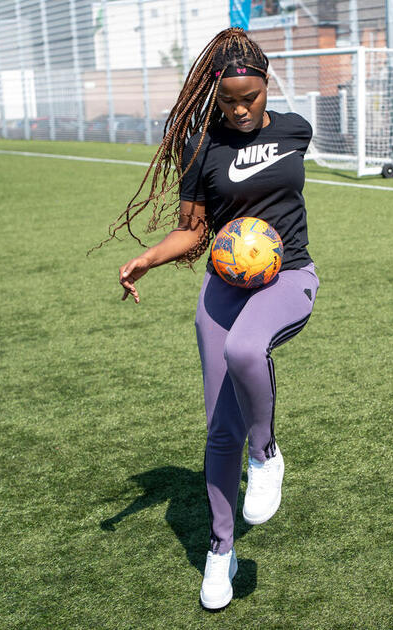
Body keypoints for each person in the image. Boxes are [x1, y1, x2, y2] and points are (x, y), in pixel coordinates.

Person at [97, 27, 318, 610]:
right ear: (214, 97)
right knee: (220, 429)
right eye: (229, 101)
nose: (240, 110)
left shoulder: (297, 130)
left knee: (247, 351)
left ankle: (266, 455)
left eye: (250, 97)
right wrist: (145, 257)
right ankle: (221, 550)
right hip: (224, 286)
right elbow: (193, 228)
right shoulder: (201, 147)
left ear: (266, 85)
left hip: (287, 274)